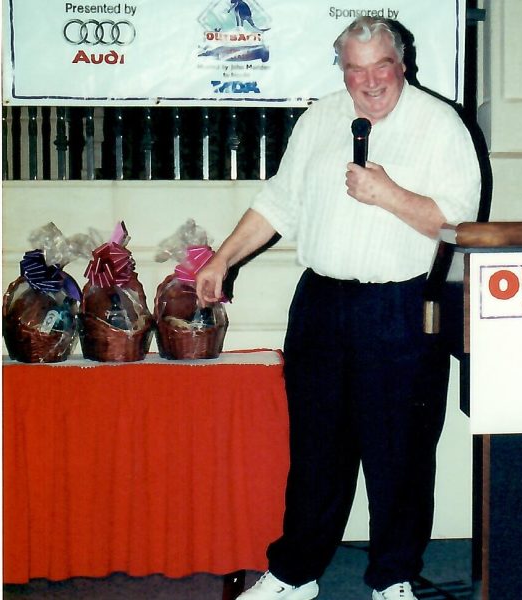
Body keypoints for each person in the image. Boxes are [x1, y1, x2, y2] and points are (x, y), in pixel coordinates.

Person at [196, 16, 481, 600]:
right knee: (316, 450)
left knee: (399, 454)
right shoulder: (320, 119)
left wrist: (389, 195)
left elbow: (461, 223)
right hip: (322, 304)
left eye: (382, 66)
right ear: (342, 71)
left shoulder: (441, 124)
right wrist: (222, 259)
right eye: (356, 69)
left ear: (403, 64)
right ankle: (295, 575)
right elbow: (277, 204)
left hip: (401, 306)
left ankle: (393, 579)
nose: (370, 82)